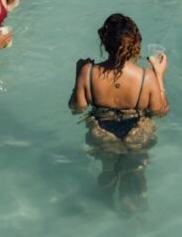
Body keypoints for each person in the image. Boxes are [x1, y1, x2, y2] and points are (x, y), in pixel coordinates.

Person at [68, 13, 169, 211]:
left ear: (104, 42)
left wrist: (77, 74)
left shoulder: (87, 71)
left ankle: (103, 207)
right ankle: (133, 218)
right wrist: (159, 77)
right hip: (137, 132)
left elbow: (77, 108)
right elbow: (160, 111)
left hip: (102, 132)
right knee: (136, 174)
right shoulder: (146, 77)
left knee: (108, 171)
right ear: (136, 43)